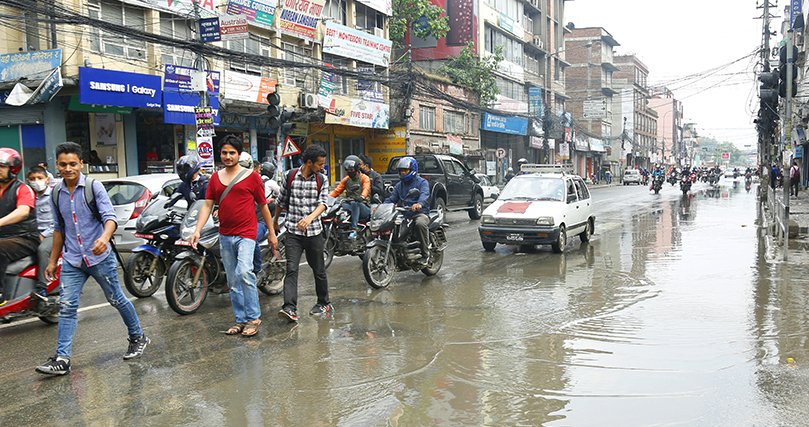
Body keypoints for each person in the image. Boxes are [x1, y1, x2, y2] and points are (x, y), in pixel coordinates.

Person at [36, 142, 149, 376]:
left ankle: (138, 336)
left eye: (73, 164)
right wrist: (52, 260)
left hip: (99, 258)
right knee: (67, 307)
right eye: (63, 164)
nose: (68, 168)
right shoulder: (56, 193)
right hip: (72, 260)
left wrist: (104, 238)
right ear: (56, 166)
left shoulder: (93, 187)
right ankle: (62, 358)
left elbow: (110, 218)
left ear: (81, 164)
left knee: (116, 298)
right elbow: (59, 229)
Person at [190, 136, 278, 337]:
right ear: (220, 154)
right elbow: (207, 205)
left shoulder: (251, 176)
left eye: (232, 153)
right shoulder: (214, 178)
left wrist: (272, 233)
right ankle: (240, 319)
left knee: (245, 272)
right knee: (232, 279)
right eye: (224, 153)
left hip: (246, 233)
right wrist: (197, 230)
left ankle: (254, 317)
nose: (228, 156)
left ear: (239, 154)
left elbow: (263, 206)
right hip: (225, 235)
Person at [274, 145, 331, 323]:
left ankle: (324, 302)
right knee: (291, 269)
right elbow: (281, 200)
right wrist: (275, 221)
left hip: (314, 233)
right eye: (319, 164)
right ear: (308, 162)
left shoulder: (322, 179)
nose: (322, 167)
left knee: (319, 270)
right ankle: (289, 308)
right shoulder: (290, 176)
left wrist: (309, 218)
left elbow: (323, 204)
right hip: (293, 232)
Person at [0, 148, 39, 306]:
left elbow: (22, 212)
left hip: (26, 237)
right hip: (5, 237)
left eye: (2, 166)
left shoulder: (23, 189)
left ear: (13, 168)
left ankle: (1, 294)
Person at [384, 156, 430, 265]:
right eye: (401, 171)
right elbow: (392, 199)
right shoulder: (399, 185)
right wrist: (382, 206)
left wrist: (419, 204)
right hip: (404, 214)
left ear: (412, 169)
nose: (403, 173)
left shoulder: (422, 182)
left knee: (420, 224)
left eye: (405, 170)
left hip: (419, 213)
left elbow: (425, 194)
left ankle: (425, 254)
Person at [27, 166, 55, 296]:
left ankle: (42, 287)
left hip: (53, 233)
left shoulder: (54, 196)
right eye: (32, 179)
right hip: (33, 234)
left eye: (39, 178)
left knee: (42, 250)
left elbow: (58, 221)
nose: (36, 181)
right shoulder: (28, 197)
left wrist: (43, 235)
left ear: (47, 180)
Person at [330, 156, 371, 239]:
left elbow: (366, 189)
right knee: (338, 206)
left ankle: (354, 229)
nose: (349, 171)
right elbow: (336, 191)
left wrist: (362, 196)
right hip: (349, 205)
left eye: (351, 169)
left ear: (356, 168)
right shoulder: (346, 180)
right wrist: (327, 199)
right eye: (347, 169)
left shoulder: (364, 178)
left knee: (355, 204)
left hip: (363, 206)